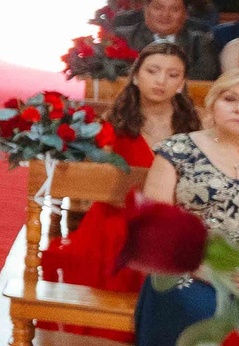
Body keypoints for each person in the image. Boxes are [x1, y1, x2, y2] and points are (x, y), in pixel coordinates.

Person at [122, 72, 239, 346]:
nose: (238, 108)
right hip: (182, 272)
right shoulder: (179, 150)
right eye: (230, 99)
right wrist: (208, 270)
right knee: (211, 316)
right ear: (212, 104)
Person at [48, 42, 194, 295]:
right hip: (114, 224)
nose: (161, 81)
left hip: (171, 227)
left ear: (181, 83)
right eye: (152, 71)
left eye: (172, 75)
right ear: (136, 76)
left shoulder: (193, 128)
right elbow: (92, 177)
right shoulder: (112, 123)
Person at [116, 0, 220, 78]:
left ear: (185, 14)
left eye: (174, 9)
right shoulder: (125, 37)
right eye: (158, 8)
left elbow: (207, 74)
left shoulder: (200, 42)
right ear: (146, 10)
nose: (165, 15)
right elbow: (117, 70)